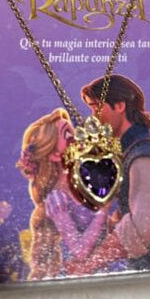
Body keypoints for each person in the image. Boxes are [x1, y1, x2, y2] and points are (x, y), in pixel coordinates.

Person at [65, 74, 150, 275]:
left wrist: (90, 265)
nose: (93, 117)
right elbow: (125, 218)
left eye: (96, 107)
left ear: (120, 105)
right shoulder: (132, 152)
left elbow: (142, 227)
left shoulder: (144, 154)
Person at [16, 108, 111, 280]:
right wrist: (103, 211)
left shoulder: (85, 175)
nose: (77, 138)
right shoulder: (56, 199)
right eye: (68, 136)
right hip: (91, 274)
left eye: (73, 133)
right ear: (54, 155)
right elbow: (80, 251)